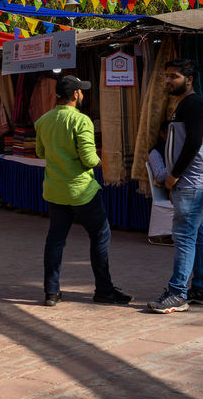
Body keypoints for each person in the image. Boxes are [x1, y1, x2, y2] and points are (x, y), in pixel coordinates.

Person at [34, 75, 132, 307]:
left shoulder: (43, 120)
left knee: (55, 240)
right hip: (81, 191)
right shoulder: (81, 120)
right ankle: (104, 289)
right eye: (82, 91)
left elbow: (40, 153)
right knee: (100, 235)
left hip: (56, 190)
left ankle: (51, 291)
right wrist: (101, 162)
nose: (83, 95)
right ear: (75, 95)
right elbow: (88, 158)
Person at [148, 59, 203, 315]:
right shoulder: (185, 105)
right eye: (166, 76)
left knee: (184, 237)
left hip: (193, 181)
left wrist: (174, 175)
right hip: (191, 182)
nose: (168, 81)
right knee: (195, 235)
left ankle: (177, 292)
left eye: (174, 76)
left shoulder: (193, 104)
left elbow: (195, 142)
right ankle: (202, 290)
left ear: (189, 79)